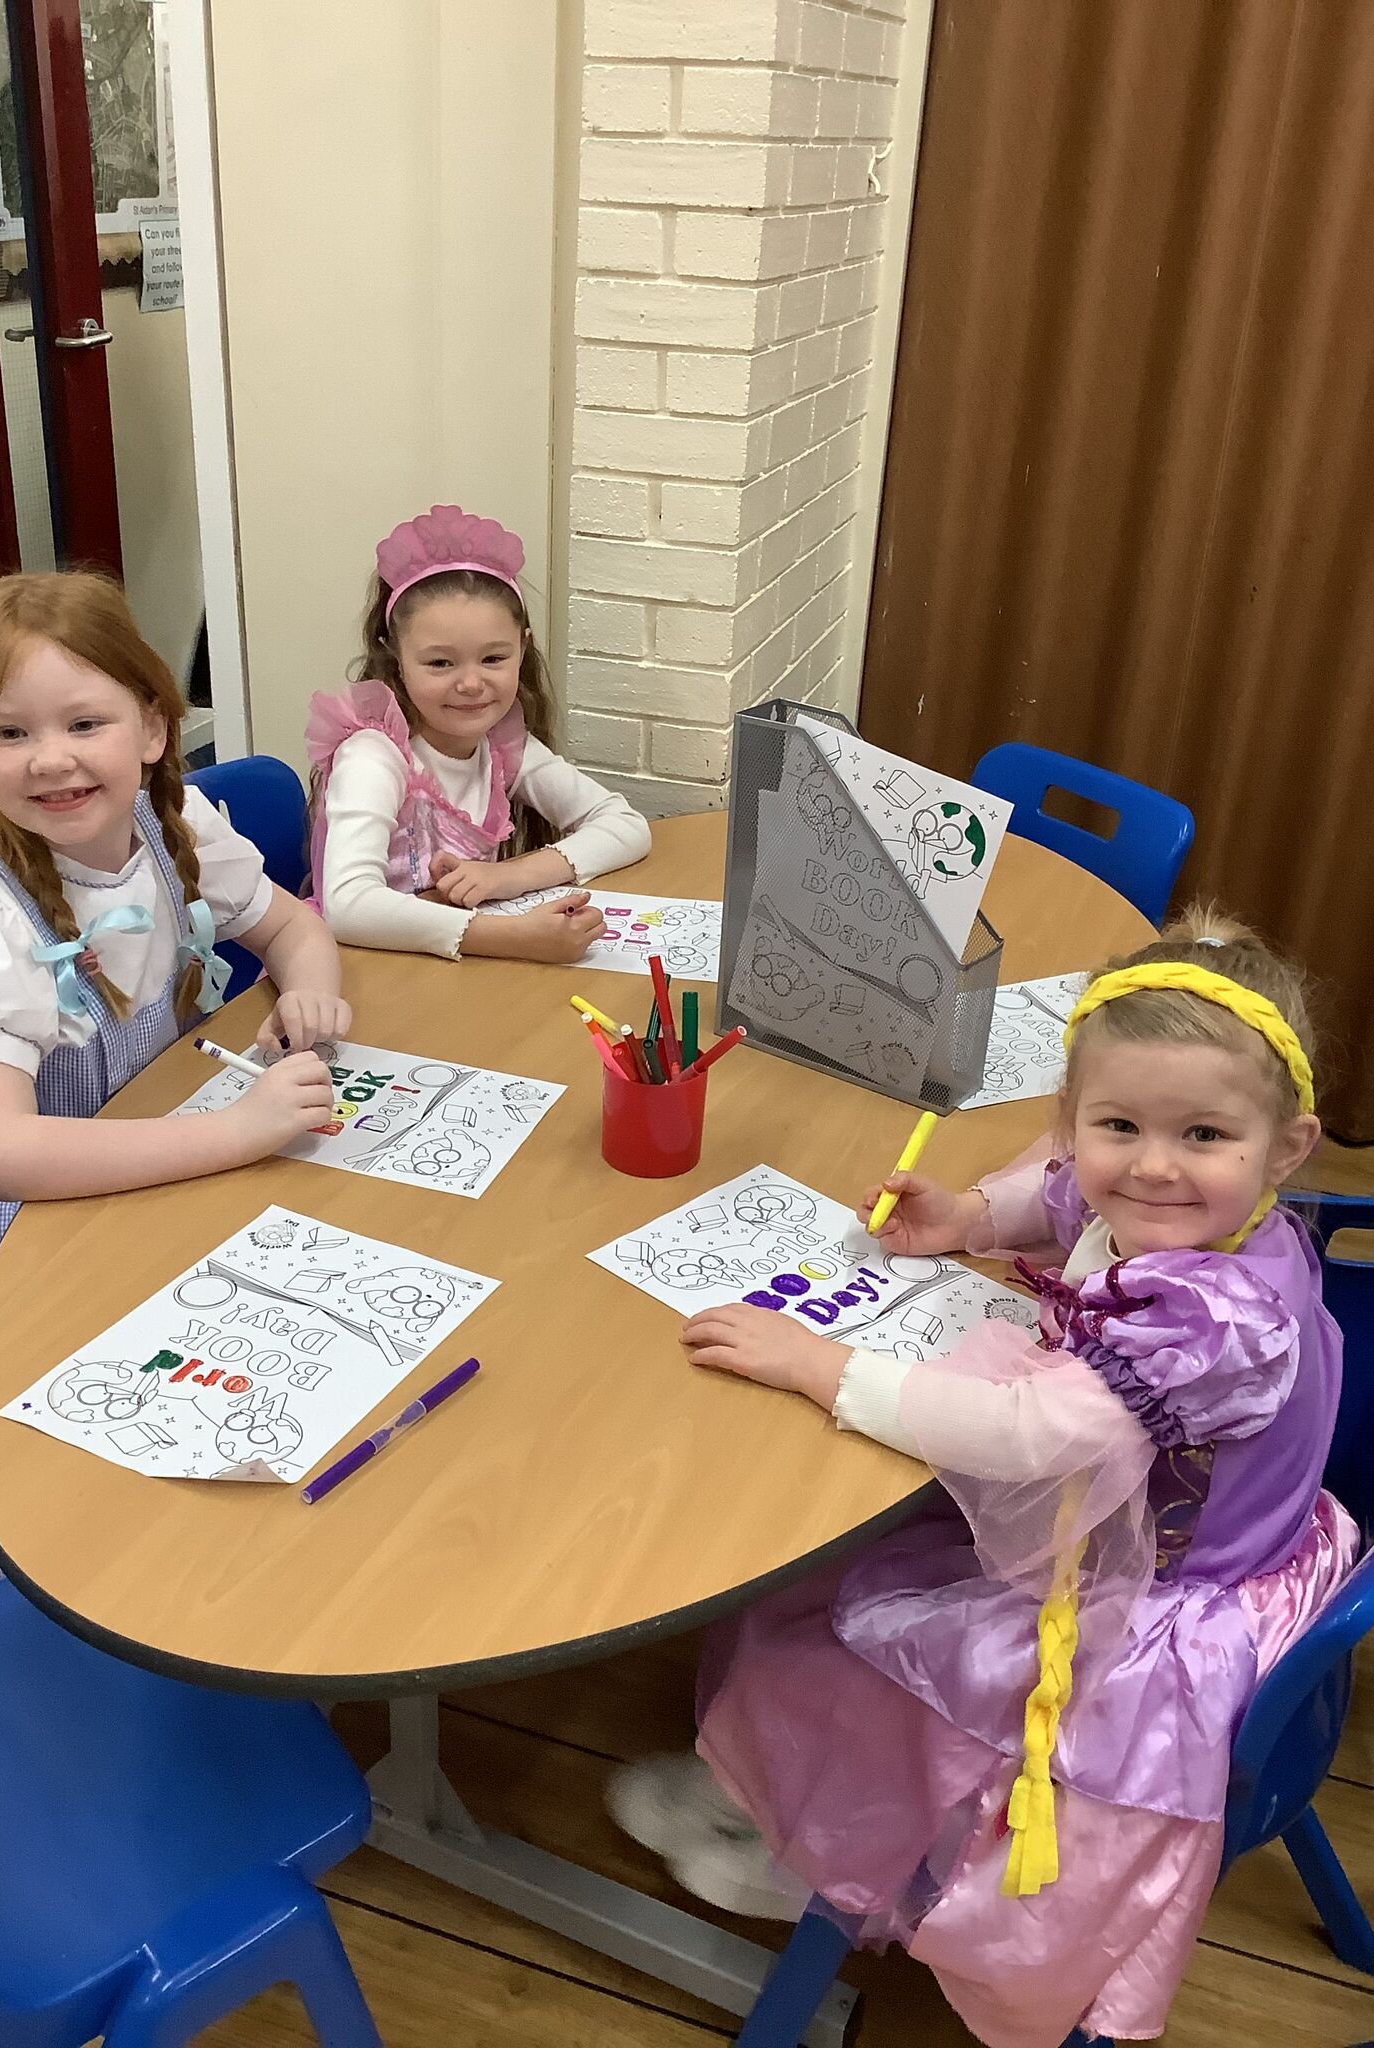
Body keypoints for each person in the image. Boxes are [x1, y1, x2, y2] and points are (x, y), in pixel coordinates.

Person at [609, 908, 1357, 2048]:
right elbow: (1067, 1197)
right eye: (1118, 1125)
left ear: (1288, 1147)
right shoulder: (1191, 1208)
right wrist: (966, 1215)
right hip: (1177, 1533)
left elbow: (1023, 1432)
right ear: (1076, 1114)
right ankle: (774, 1795)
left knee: (823, 1634)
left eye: (1202, 1133)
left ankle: (803, 1855)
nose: (1152, 1165)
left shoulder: (1213, 1322)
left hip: (1153, 1617)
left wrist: (822, 1365)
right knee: (823, 1559)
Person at [0, 571, 352, 1673]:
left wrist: (310, 993)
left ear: (154, 729)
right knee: (86, 1508)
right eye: (10, 732)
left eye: (85, 723)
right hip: (17, 1250)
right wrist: (241, 1131)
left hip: (153, 1177)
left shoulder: (176, 828)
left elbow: (296, 927)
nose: (52, 759)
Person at [307, 503, 651, 962]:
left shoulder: (502, 746)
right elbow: (348, 906)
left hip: (461, 970)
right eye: (440, 662)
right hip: (367, 971)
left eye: (493, 659)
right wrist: (515, 938)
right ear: (395, 658)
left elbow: (626, 825)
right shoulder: (374, 756)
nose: (471, 683)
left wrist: (506, 877)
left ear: (522, 648)